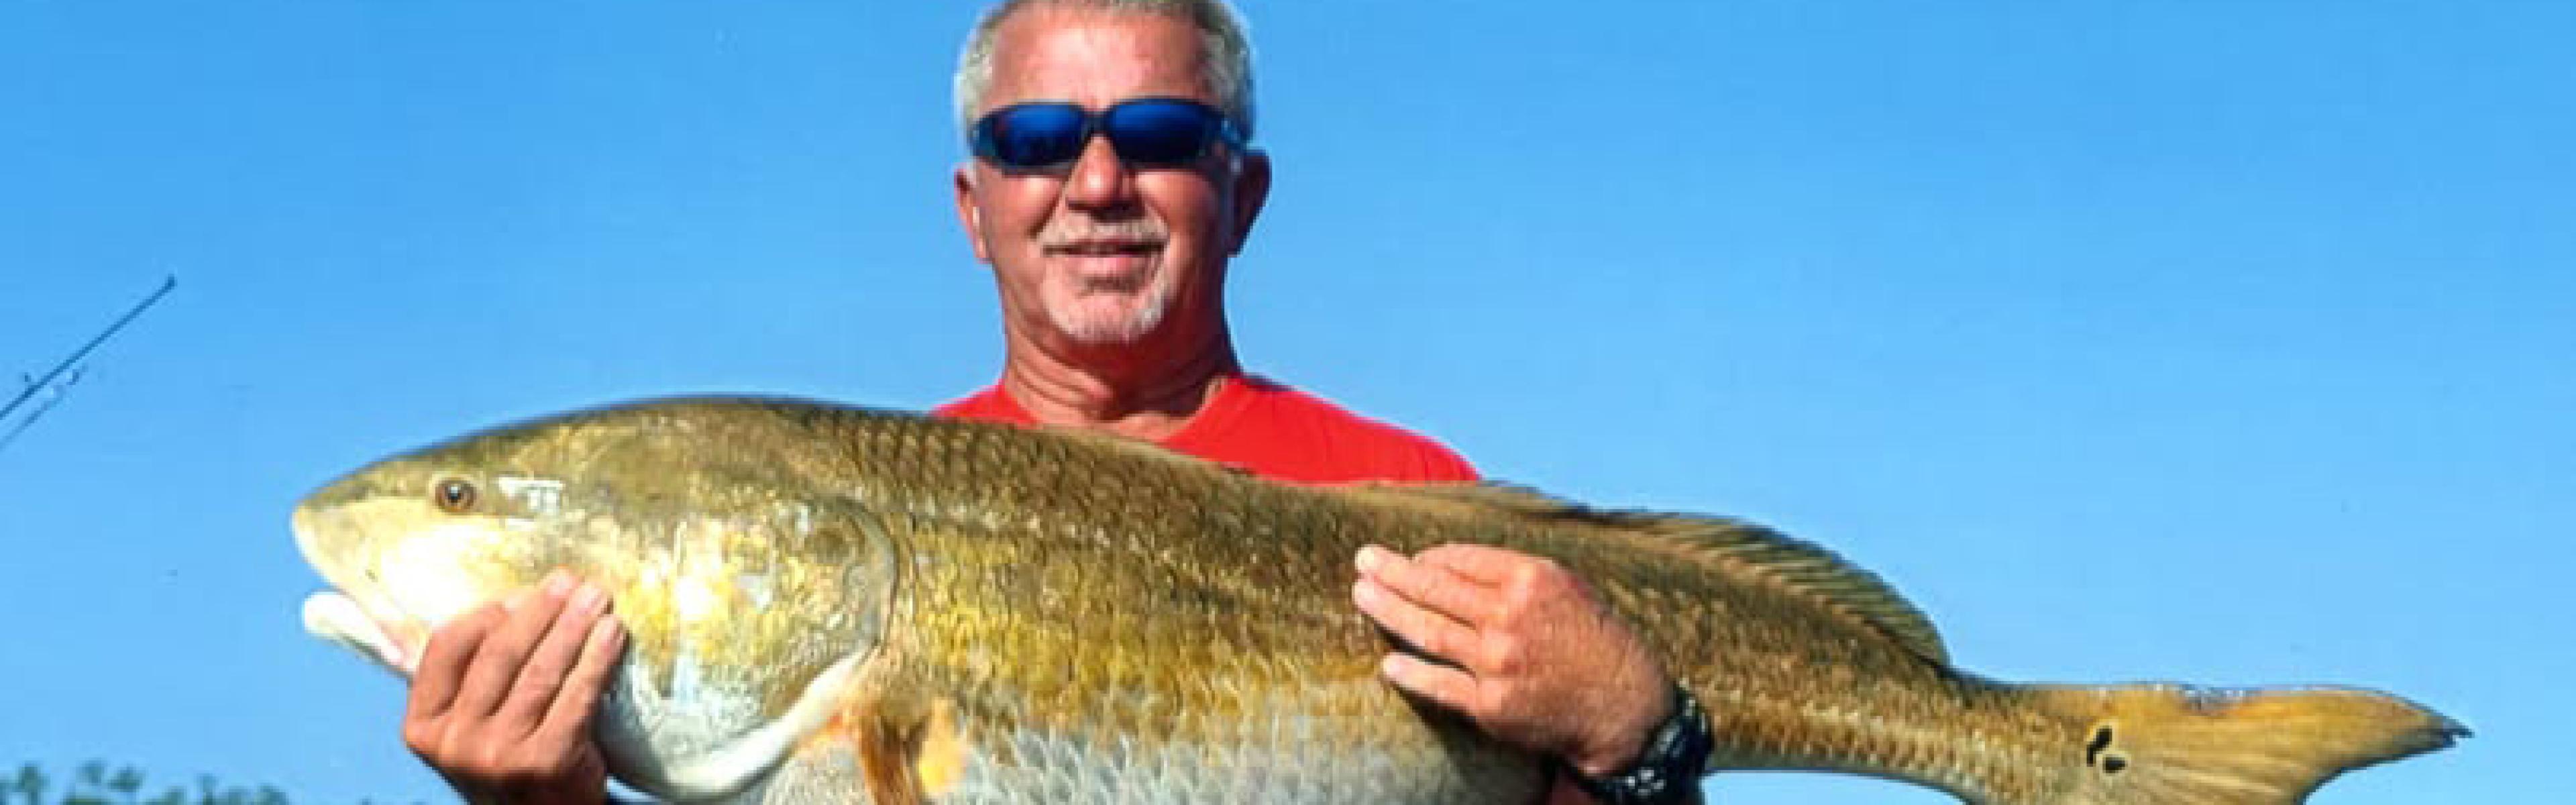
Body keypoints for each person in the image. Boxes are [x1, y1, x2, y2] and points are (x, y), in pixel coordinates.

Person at [396, 2, 1701, 803]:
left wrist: (1645, 743)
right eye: (1034, 142)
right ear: (975, 209)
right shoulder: (890, 507)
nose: (1097, 182)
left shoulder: (1417, 499)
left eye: (1162, 133)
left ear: (1243, 195)